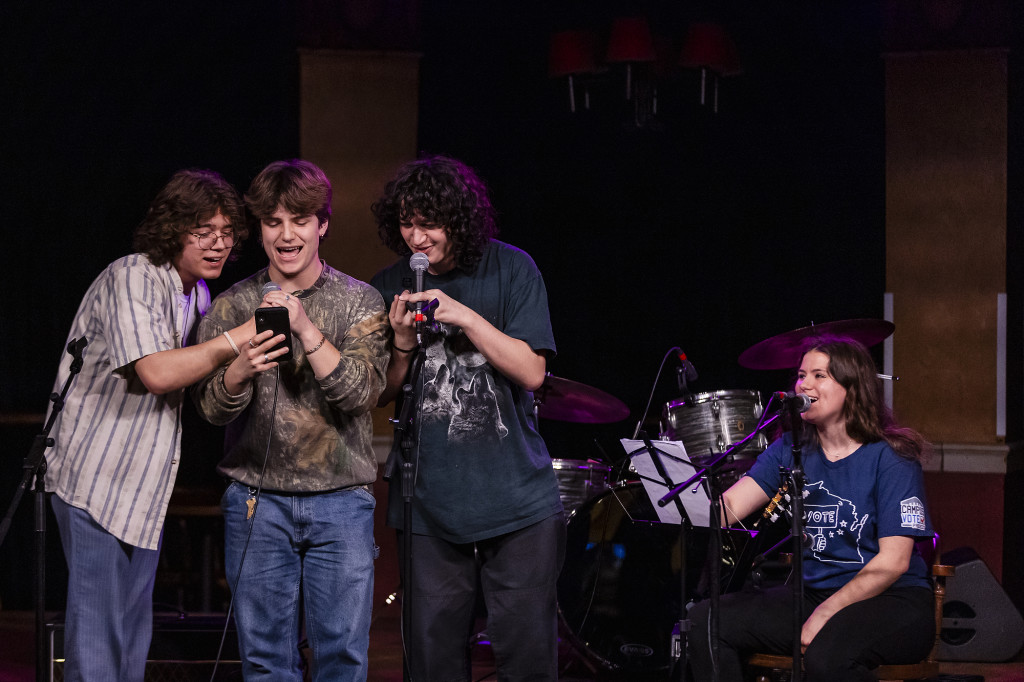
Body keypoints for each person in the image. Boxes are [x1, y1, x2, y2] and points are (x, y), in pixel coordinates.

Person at [44, 169, 252, 682]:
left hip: (143, 485)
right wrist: (241, 337)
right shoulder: (133, 274)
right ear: (174, 227)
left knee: (131, 635)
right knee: (97, 634)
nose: (218, 244)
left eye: (227, 234)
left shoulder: (196, 295)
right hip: (94, 476)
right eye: (204, 231)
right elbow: (156, 372)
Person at [192, 159, 389, 681]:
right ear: (259, 229)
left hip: (341, 503)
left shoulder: (359, 301)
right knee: (263, 662)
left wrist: (305, 329)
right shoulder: (233, 304)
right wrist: (237, 371)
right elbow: (209, 411)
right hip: (258, 503)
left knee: (341, 660)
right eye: (273, 222)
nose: (286, 234)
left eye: (299, 220)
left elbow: (362, 395)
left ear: (321, 224)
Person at [370, 154, 565, 681]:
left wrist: (464, 316)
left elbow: (532, 373)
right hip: (428, 503)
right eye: (407, 223)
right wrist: (404, 347)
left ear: (458, 220)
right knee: (431, 663)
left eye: (428, 223)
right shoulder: (387, 283)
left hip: (517, 501)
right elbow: (379, 393)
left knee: (526, 660)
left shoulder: (512, 268)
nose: (416, 236)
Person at [687, 336, 936, 682]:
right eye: (801, 375)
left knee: (826, 658)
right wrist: (674, 491)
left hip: (893, 600)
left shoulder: (891, 458)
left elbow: (894, 562)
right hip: (811, 595)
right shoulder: (789, 449)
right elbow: (727, 509)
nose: (803, 384)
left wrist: (826, 612)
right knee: (705, 621)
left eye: (819, 375)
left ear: (853, 387)